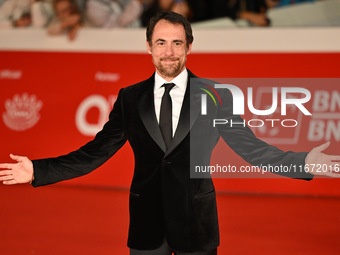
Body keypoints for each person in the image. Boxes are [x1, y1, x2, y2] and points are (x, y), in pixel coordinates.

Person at [0, 11, 339, 255]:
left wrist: (304, 163)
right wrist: (39, 170)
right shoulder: (130, 98)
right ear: (148, 47)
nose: (169, 52)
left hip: (197, 224)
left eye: (177, 43)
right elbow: (95, 152)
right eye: (161, 43)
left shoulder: (217, 96)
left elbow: (250, 148)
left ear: (189, 46)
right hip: (146, 227)